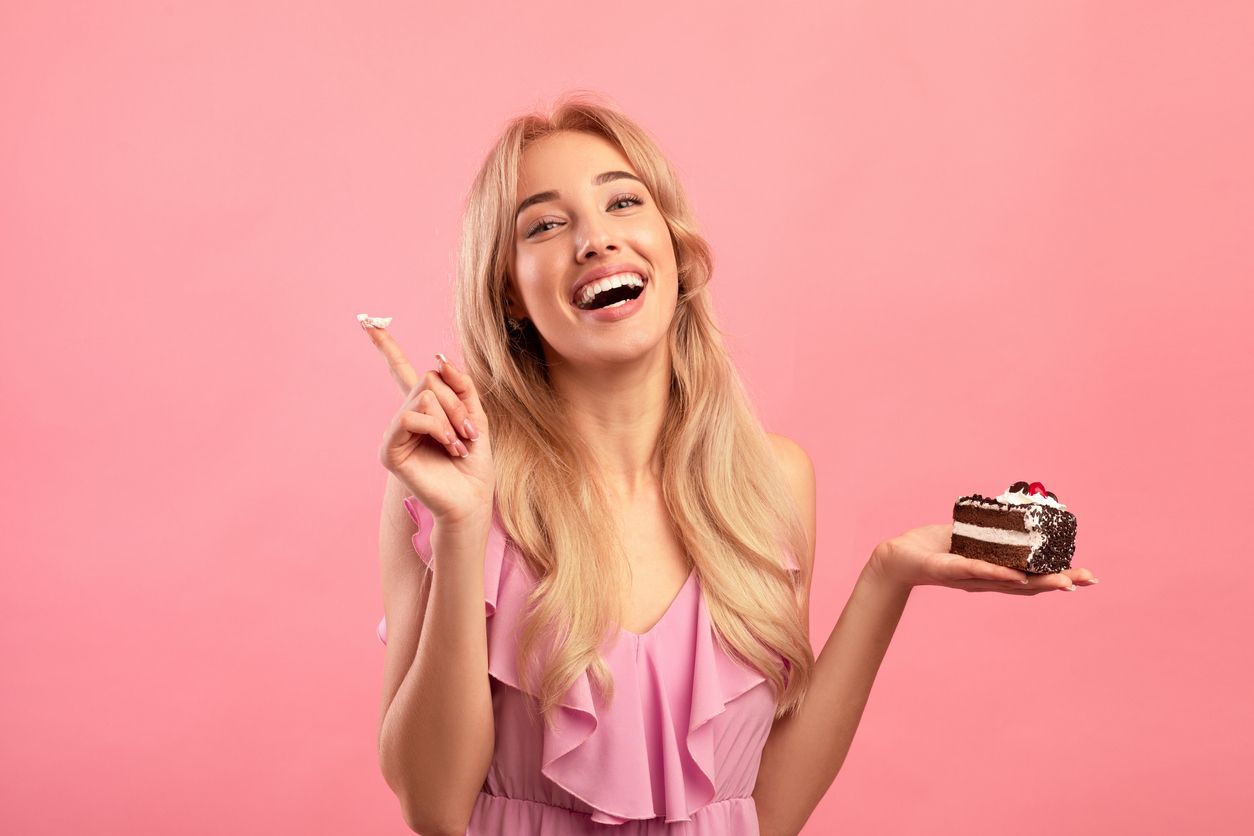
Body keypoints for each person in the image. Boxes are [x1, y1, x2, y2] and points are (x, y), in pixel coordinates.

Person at [363, 92, 1096, 836]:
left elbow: (764, 812)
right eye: (547, 224)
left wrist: (888, 576)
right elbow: (432, 808)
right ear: (510, 297)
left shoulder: (770, 482)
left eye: (623, 202)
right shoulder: (447, 490)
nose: (595, 239)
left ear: (675, 254)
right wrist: (462, 529)